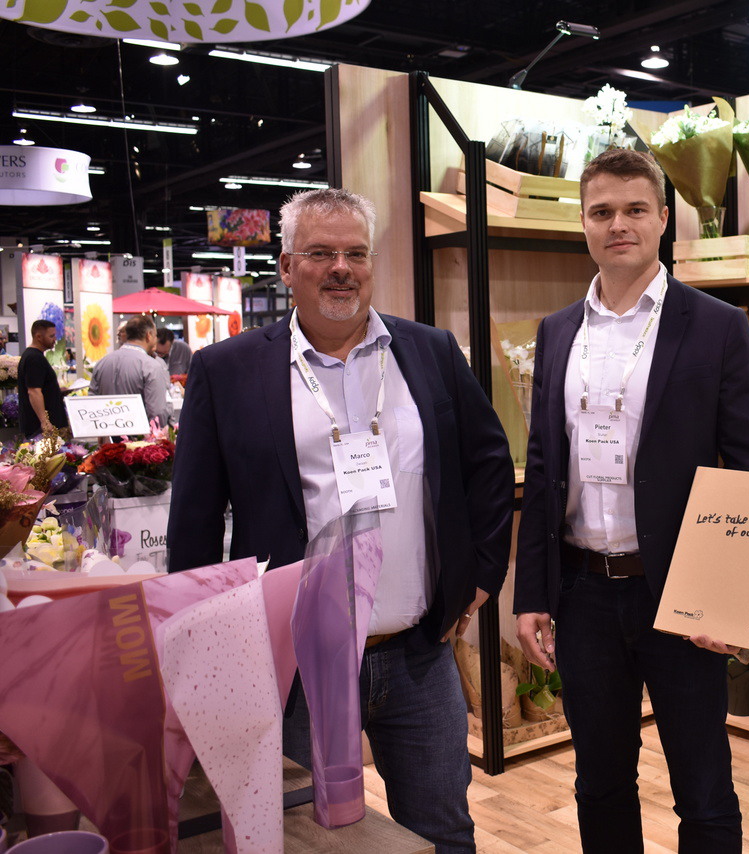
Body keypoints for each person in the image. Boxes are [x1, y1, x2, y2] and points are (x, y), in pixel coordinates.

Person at [166, 187, 513, 852]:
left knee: (444, 830)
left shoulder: (430, 351)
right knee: (297, 835)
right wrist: (207, 654)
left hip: (416, 654)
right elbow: (195, 522)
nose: (341, 269)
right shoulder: (228, 370)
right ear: (286, 266)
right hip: (290, 668)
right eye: (320, 253)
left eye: (356, 253)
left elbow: (489, 462)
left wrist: (481, 576)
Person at [513, 149, 749, 854]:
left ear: (663, 218)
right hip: (583, 594)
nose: (617, 225)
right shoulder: (558, 331)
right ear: (583, 224)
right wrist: (531, 593)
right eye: (601, 212)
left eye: (634, 209)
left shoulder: (716, 325)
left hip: (682, 591)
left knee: (704, 791)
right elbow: (544, 468)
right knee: (599, 784)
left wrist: (732, 600)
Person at [89, 315, 172, 427]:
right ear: (149, 335)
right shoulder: (151, 366)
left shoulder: (102, 363)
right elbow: (157, 413)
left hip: (106, 432)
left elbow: (92, 402)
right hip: (139, 434)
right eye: (155, 335)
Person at [16, 319, 69, 437]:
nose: (55, 339)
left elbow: (39, 387)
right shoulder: (34, 358)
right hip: (39, 428)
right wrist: (44, 421)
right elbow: (34, 391)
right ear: (39, 337)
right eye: (51, 336)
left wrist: (56, 391)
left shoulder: (33, 356)